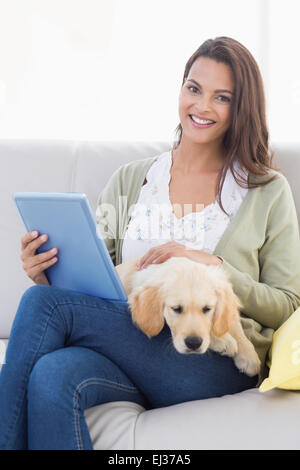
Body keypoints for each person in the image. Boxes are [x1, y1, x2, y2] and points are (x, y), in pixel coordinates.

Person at [1, 36, 300, 450]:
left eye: (222, 97)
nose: (201, 106)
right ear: (181, 90)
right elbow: (95, 283)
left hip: (213, 357)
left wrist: (212, 264)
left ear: (241, 107)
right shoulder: (131, 179)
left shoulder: (267, 191)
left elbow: (287, 303)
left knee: (39, 307)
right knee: (53, 373)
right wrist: (47, 273)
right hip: (129, 342)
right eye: (194, 88)